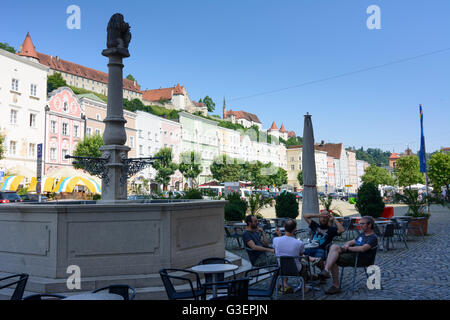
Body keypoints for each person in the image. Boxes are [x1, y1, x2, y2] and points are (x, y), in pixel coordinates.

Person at [319, 216, 378, 294]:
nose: (360, 225)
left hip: (361, 258)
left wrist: (347, 248)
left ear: (369, 225)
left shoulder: (373, 237)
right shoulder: (363, 234)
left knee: (334, 258)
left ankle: (335, 284)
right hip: (353, 255)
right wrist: (347, 245)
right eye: (360, 224)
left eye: (362, 224)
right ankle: (326, 270)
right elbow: (352, 241)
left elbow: (362, 249)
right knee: (334, 247)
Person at [272, 219, 310, 293]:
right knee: (305, 265)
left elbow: (277, 249)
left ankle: (283, 283)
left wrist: (279, 235)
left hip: (281, 269)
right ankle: (304, 287)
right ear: (295, 229)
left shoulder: (275, 240)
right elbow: (300, 256)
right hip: (296, 269)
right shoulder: (299, 243)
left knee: (285, 262)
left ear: (284, 227)